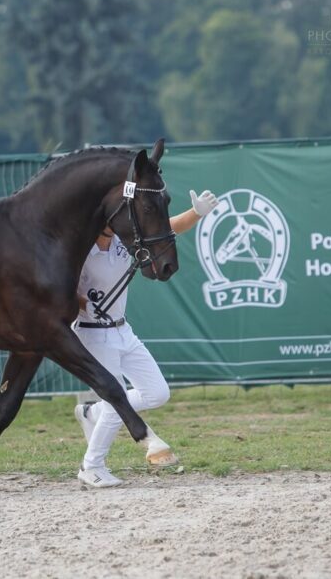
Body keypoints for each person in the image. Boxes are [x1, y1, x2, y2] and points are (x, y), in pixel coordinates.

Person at [74, 189, 218, 487]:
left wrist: (198, 212)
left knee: (157, 393)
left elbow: (169, 228)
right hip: (92, 335)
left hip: (122, 330)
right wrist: (85, 304)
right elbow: (61, 288)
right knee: (118, 402)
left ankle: (93, 411)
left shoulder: (122, 243)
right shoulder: (78, 251)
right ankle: (91, 466)